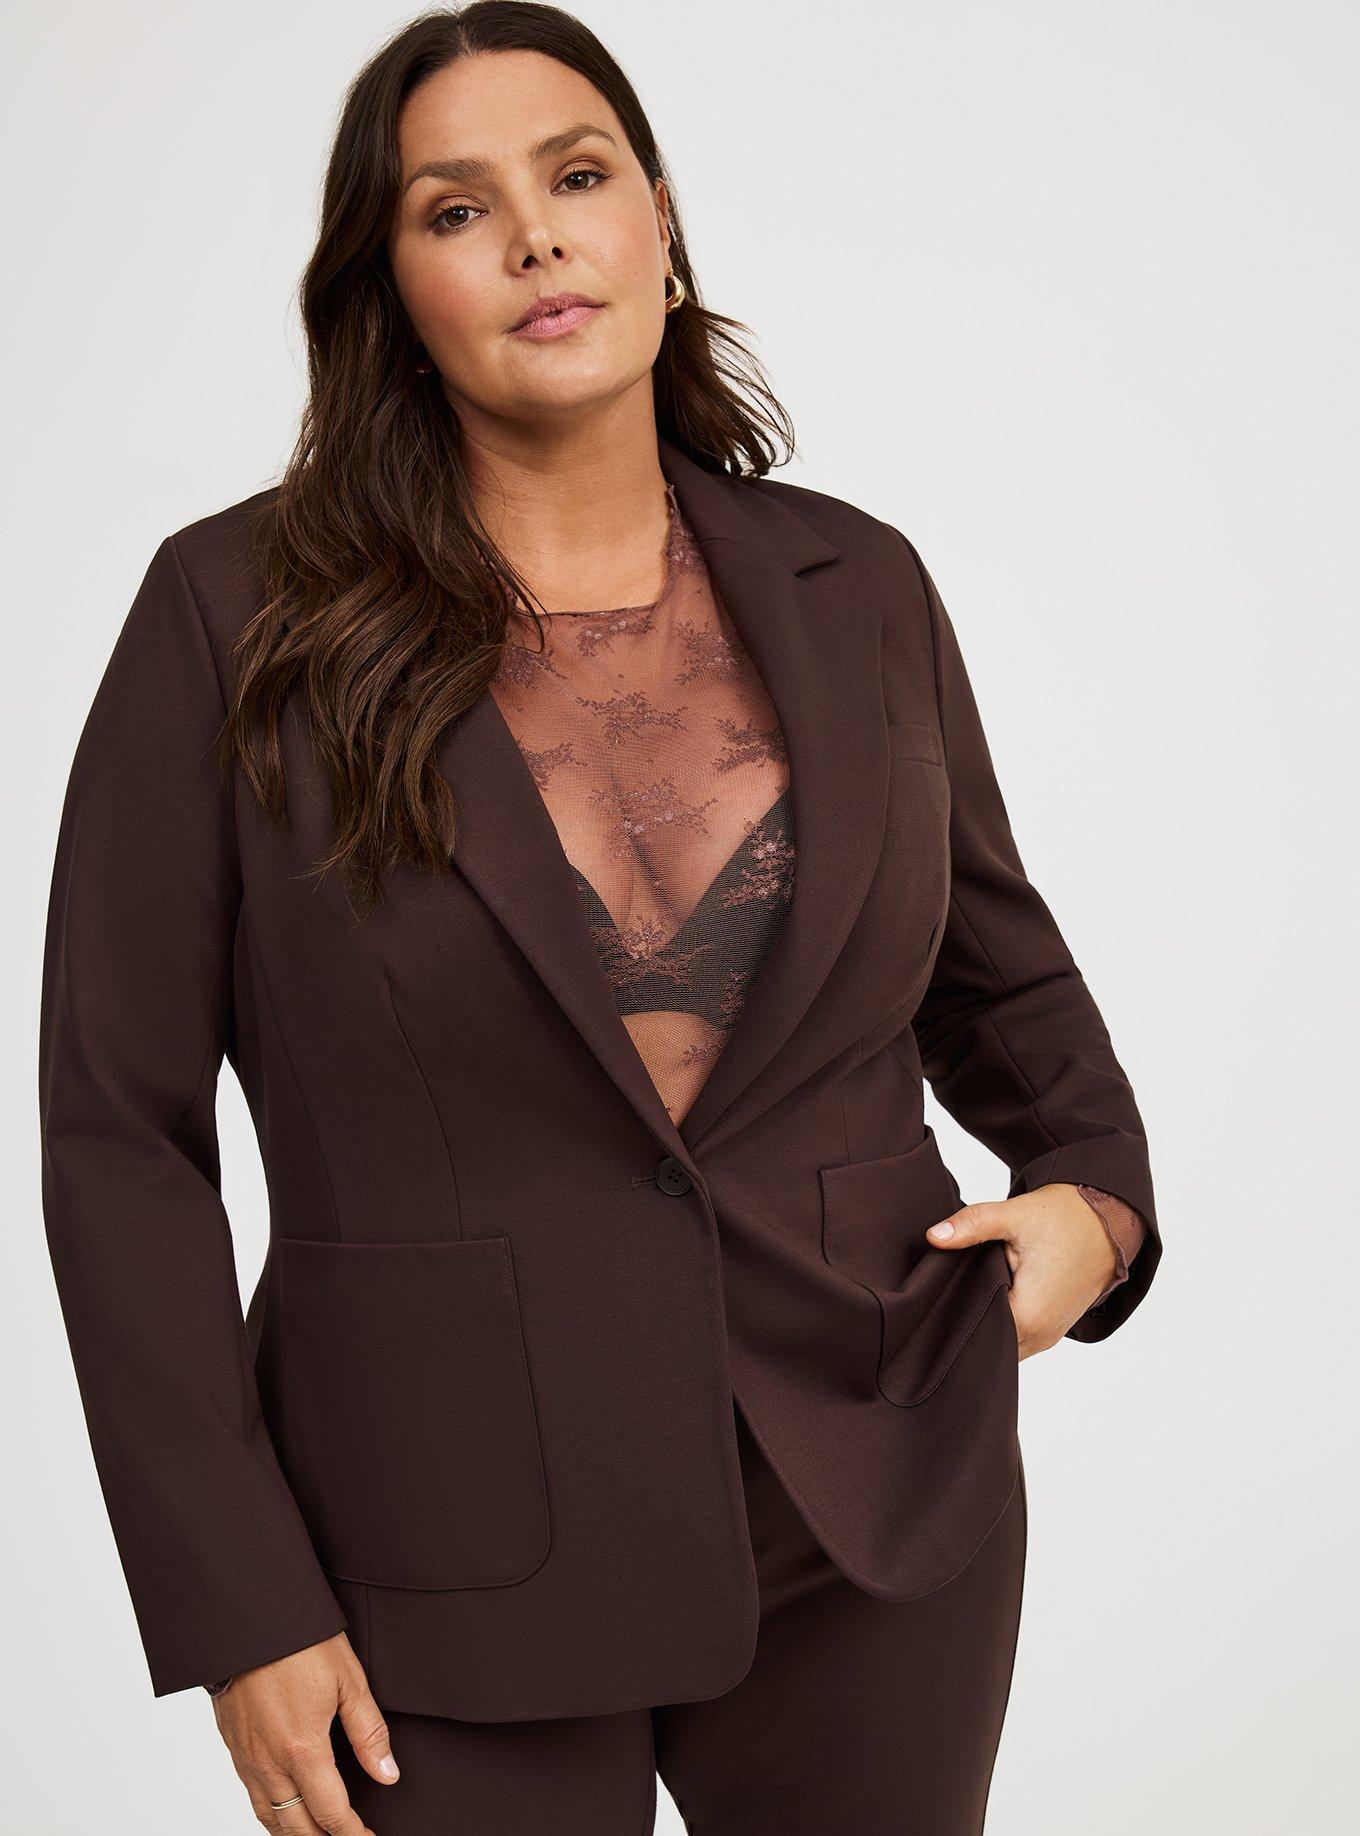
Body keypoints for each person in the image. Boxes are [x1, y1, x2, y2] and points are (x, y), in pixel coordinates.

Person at [37, 5, 1160, 1831]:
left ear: (660, 222)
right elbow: (117, 1133)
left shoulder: (859, 585)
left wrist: (1098, 1207)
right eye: (455, 209)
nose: (537, 239)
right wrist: (238, 1601)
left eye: (577, 177)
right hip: (427, 1550)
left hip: (870, 1498)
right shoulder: (233, 619)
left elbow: (1002, 981)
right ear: (389, 290)